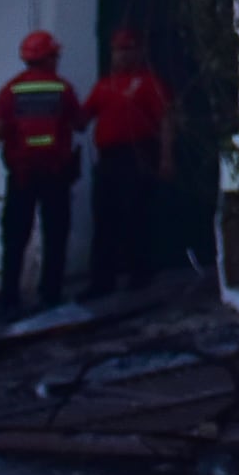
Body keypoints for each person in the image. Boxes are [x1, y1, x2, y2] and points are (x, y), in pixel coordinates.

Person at [0, 33, 88, 319]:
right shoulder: (63, 89)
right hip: (56, 175)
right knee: (55, 236)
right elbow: (80, 125)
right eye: (55, 55)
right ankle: (50, 295)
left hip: (21, 176)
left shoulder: (10, 91)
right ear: (47, 57)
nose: (57, 60)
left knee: (15, 237)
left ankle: (9, 297)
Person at [79, 26, 177, 299]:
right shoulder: (104, 85)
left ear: (139, 51)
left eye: (127, 49)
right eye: (117, 50)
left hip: (137, 154)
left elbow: (166, 119)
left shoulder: (149, 82)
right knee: (104, 218)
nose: (121, 56)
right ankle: (102, 280)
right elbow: (83, 118)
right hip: (108, 158)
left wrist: (166, 157)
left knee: (136, 214)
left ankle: (140, 273)